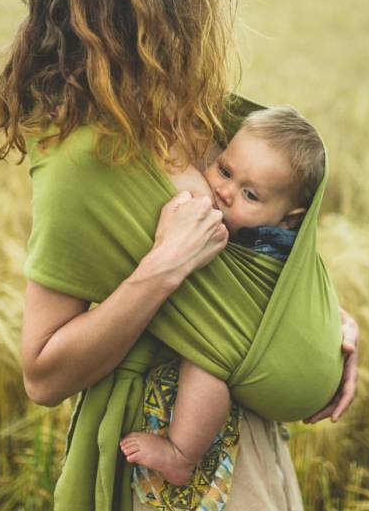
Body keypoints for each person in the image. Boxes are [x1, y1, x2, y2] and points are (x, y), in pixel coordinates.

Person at [0, 0, 359, 511]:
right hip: (162, 462)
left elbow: (252, 263)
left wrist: (319, 321)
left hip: (250, 447)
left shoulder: (202, 114)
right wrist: (162, 267)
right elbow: (42, 372)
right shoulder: (82, 158)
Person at [119, 106, 327, 487]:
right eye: (225, 170)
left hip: (244, 346)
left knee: (209, 360)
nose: (224, 192)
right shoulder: (245, 213)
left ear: (289, 220)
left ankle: (181, 455)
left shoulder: (270, 247)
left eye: (250, 194)